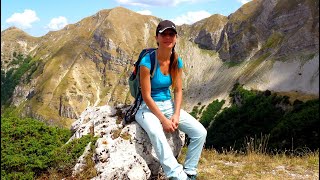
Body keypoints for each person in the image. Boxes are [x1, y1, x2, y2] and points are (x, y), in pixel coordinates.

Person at [135, 20, 207, 180]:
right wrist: (164, 120)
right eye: (164, 34)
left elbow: (178, 90)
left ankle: (190, 171)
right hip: (147, 108)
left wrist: (175, 114)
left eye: (171, 34)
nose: (168, 37)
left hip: (168, 105)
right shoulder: (147, 62)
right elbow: (146, 96)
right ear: (157, 38)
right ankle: (177, 176)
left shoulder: (176, 61)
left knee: (200, 132)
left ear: (175, 38)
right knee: (155, 132)